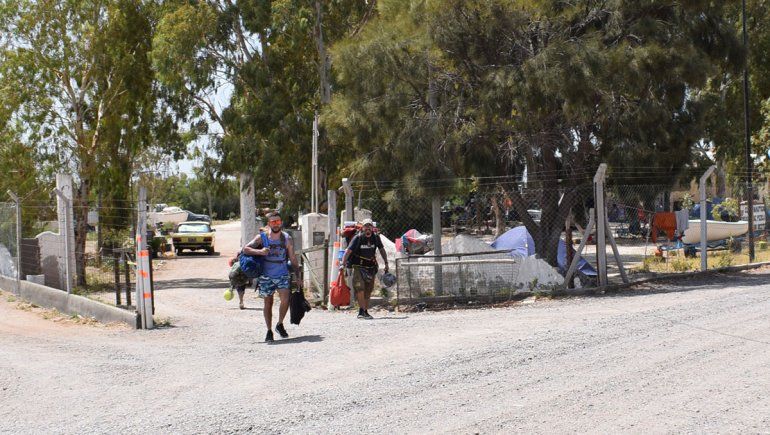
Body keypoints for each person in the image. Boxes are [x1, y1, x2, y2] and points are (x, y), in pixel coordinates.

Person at [242, 212, 300, 342]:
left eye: (278, 221)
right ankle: (269, 331)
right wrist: (260, 251)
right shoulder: (262, 237)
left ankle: (279, 324)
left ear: (281, 223)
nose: (276, 224)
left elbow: (293, 258)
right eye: (273, 222)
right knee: (268, 303)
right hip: (266, 275)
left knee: (286, 299)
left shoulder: (287, 238)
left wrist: (298, 275)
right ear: (269, 224)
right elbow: (245, 249)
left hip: (282, 273)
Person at [340, 218, 388, 320]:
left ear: (372, 228)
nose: (368, 228)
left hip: (371, 267)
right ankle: (361, 311)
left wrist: (386, 263)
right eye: (366, 226)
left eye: (369, 226)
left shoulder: (376, 238)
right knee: (360, 288)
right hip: (358, 267)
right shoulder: (357, 238)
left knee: (368, 290)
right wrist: (342, 264)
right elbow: (348, 251)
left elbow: (382, 250)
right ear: (362, 228)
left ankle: (365, 311)